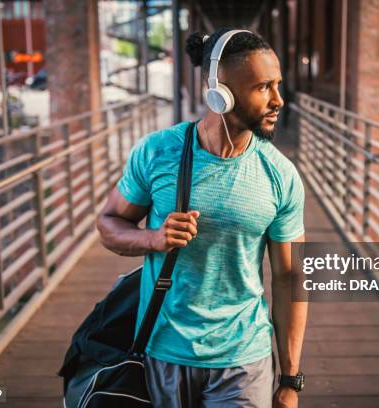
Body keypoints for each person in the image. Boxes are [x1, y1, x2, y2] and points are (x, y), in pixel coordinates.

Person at [96, 28, 307, 408]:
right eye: (263, 88)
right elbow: (109, 224)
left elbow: (291, 279)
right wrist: (153, 238)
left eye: (277, 85)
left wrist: (290, 379)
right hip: (162, 351)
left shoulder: (280, 174)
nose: (278, 100)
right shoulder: (158, 152)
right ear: (219, 93)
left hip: (245, 359)